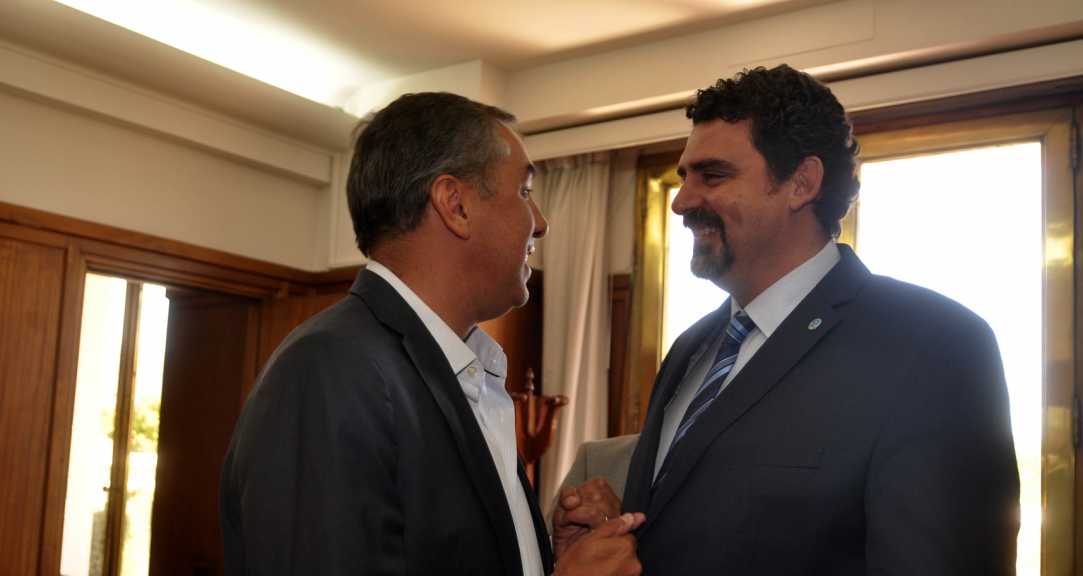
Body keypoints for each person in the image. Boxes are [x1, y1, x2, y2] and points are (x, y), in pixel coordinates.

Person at [556, 65, 1020, 574]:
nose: (682, 202)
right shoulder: (692, 348)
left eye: (713, 176)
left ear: (802, 183)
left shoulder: (933, 346)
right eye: (684, 176)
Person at [220, 92, 643, 575]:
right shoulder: (330, 370)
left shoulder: (464, 374)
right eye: (525, 192)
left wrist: (548, 559)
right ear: (454, 204)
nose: (541, 223)